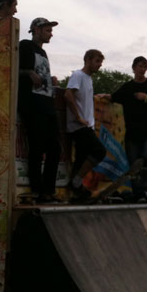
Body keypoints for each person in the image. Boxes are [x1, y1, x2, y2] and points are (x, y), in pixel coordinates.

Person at [18, 17, 62, 203]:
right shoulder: (25, 46)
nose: (50, 34)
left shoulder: (43, 52)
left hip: (47, 104)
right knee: (36, 147)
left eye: (51, 31)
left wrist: (50, 80)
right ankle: (37, 190)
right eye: (47, 30)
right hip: (32, 104)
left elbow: (40, 74)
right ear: (36, 29)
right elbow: (12, 68)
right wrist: (28, 72)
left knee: (55, 148)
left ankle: (49, 190)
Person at [111, 56, 147, 199]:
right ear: (134, 68)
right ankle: (138, 193)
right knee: (133, 165)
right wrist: (101, 96)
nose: (142, 69)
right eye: (139, 66)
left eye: (144, 67)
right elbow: (112, 98)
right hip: (132, 133)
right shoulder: (127, 87)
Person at [64, 49, 108, 201]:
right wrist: (78, 117)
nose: (100, 65)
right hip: (79, 125)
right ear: (88, 60)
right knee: (99, 151)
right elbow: (68, 94)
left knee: (81, 159)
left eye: (101, 62)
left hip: (86, 125)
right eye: (97, 61)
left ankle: (75, 191)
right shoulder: (78, 75)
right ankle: (76, 182)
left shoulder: (89, 79)